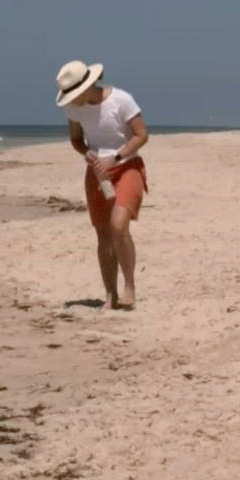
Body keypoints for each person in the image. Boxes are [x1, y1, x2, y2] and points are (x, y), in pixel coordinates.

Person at [56, 60, 148, 310]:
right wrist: (86, 153)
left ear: (87, 87)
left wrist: (116, 157)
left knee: (119, 226)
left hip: (127, 165)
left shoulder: (121, 100)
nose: (71, 100)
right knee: (103, 234)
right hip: (97, 173)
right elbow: (76, 140)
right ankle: (110, 294)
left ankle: (129, 286)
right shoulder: (74, 110)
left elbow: (142, 135)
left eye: (74, 94)